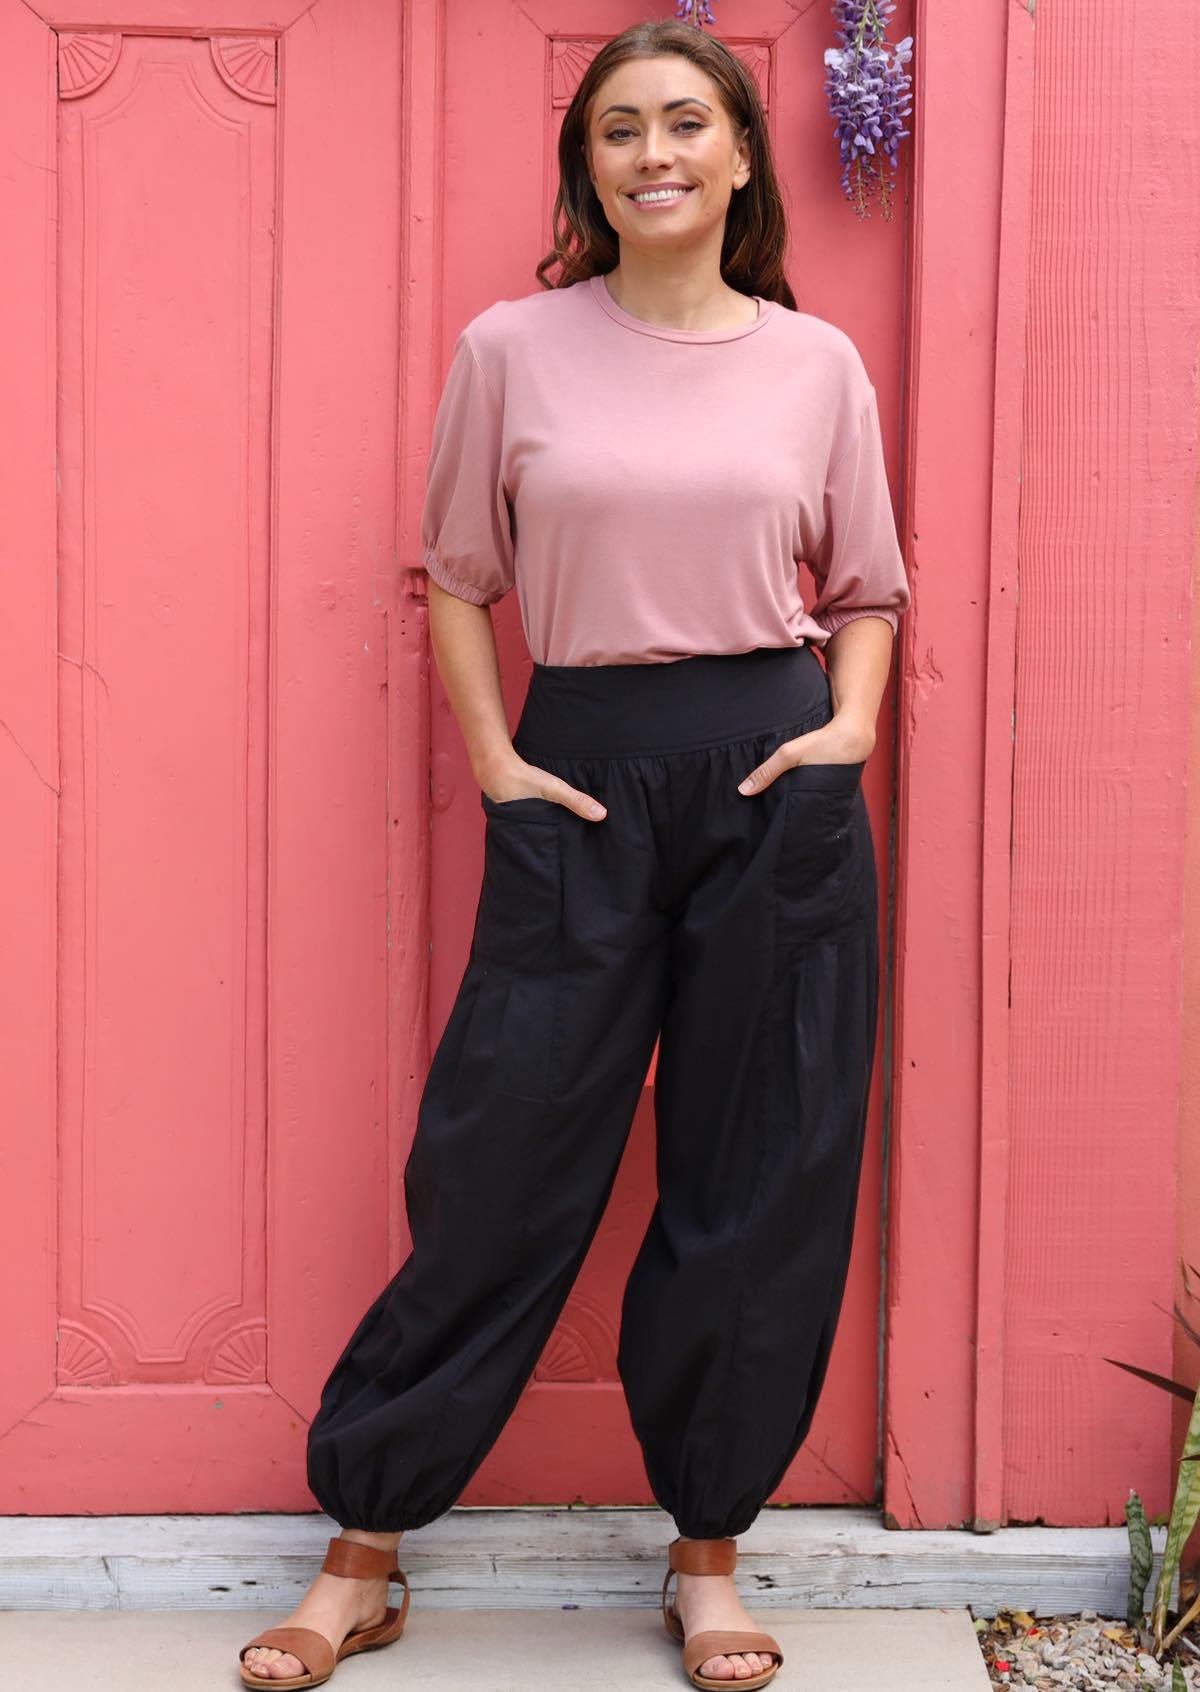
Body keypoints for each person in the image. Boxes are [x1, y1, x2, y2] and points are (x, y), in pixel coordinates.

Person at [238, 18, 910, 1691]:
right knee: (501, 1156)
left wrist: (848, 733)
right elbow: (460, 575)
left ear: (741, 157)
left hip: (775, 777)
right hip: (582, 778)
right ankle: (363, 1547)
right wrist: (499, 764)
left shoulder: (816, 365)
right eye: (619, 129)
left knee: (757, 1172)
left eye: (686, 122)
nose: (653, 152)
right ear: (588, 167)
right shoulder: (513, 350)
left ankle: (707, 1557)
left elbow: (866, 590)